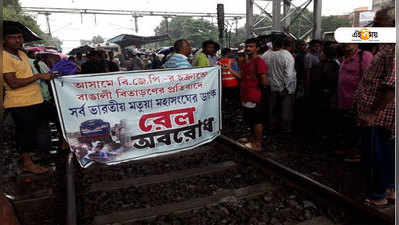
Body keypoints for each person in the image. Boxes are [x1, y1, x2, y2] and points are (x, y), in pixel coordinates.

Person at [353, 5, 395, 208]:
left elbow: (392, 86)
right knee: (386, 152)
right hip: (379, 114)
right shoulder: (387, 45)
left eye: (379, 23)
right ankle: (389, 189)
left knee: (376, 154)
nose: (374, 27)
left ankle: (378, 195)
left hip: (379, 115)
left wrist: (371, 113)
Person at [2, 25, 53, 174]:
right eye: (13, 37)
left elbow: (25, 75)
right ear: (4, 40)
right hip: (19, 103)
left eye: (20, 37)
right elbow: (13, 83)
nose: (18, 40)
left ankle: (34, 155)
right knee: (25, 134)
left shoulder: (22, 54)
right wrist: (38, 76)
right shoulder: (4, 57)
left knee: (52, 119)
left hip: (35, 100)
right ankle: (26, 162)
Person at [227, 38, 268, 151]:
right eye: (247, 46)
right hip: (245, 94)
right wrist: (230, 69)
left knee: (257, 120)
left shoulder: (259, 61)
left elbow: (264, 80)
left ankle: (257, 144)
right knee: (249, 118)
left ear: (257, 48)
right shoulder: (245, 62)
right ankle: (252, 138)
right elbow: (241, 77)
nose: (248, 49)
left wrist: (260, 93)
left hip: (255, 95)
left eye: (251, 46)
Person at [262, 37, 296, 133]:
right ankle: (285, 129)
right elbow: (289, 74)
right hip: (285, 88)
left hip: (270, 87)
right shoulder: (287, 56)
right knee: (285, 110)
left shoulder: (265, 55)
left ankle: (271, 127)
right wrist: (286, 88)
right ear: (283, 45)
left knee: (271, 109)